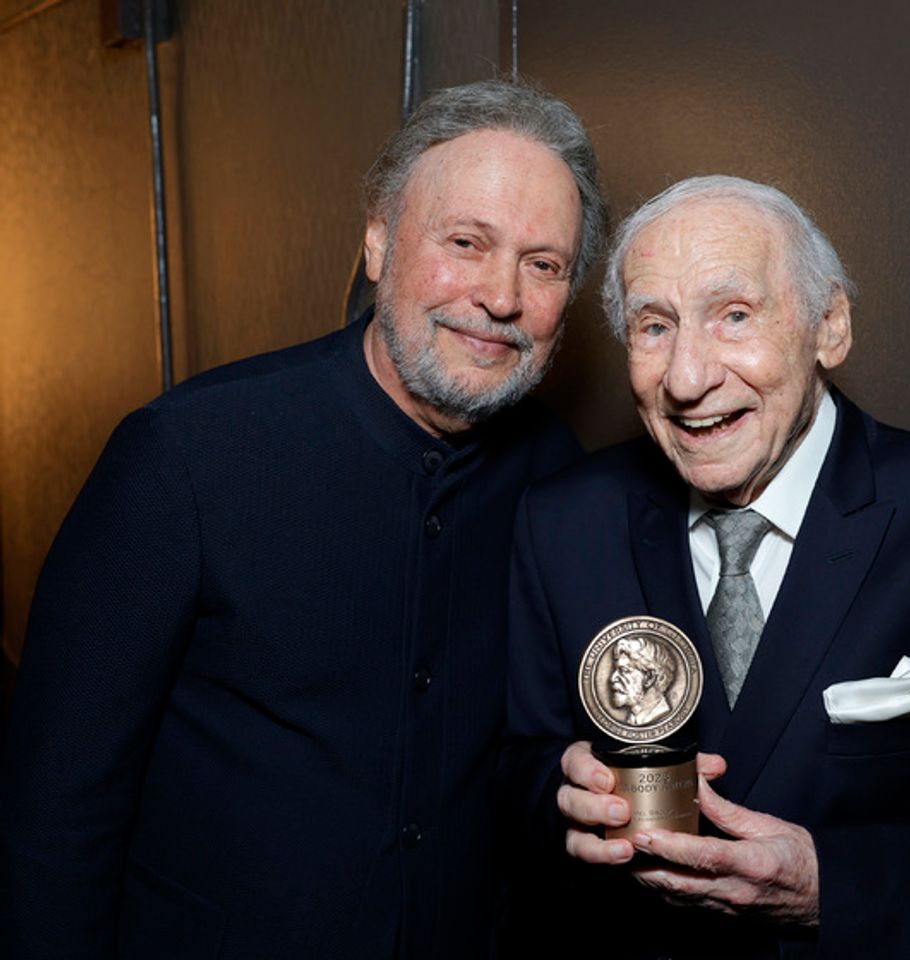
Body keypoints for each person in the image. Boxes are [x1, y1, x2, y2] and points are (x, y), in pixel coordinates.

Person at [0, 80, 606, 958]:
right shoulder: (186, 456)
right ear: (376, 239)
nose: (501, 297)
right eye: (466, 242)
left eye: (543, 264)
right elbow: (56, 809)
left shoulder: (561, 482)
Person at [497, 175, 910, 959]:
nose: (688, 378)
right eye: (655, 326)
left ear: (829, 327)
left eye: (734, 316)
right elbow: (518, 768)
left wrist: (834, 887)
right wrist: (565, 801)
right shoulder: (563, 521)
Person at [610, 636, 677, 726]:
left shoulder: (661, 715)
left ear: (650, 678)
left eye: (624, 670)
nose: (612, 678)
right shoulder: (632, 720)